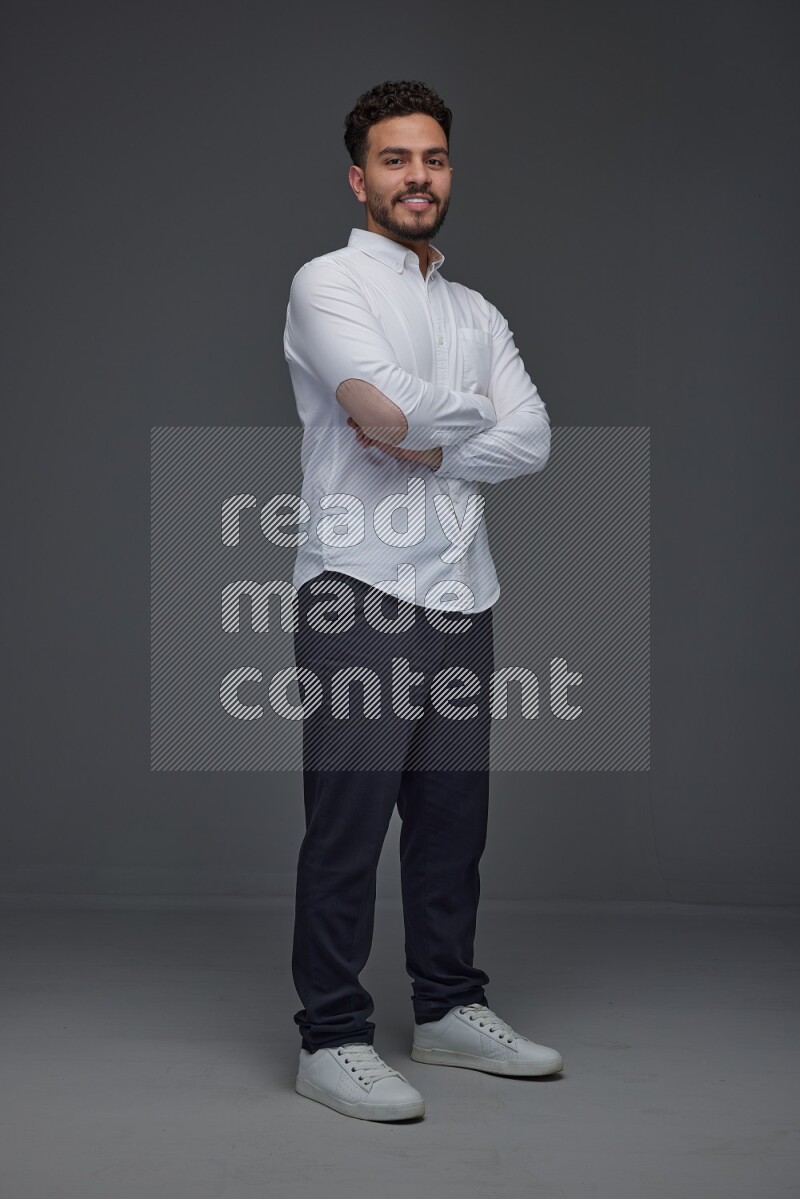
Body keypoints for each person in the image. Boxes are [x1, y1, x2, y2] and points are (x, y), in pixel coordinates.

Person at [283, 79, 563, 1123]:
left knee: (451, 822)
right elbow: (373, 409)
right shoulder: (326, 283)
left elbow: (528, 438)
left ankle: (445, 1007)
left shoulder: (473, 309)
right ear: (360, 177)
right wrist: (448, 421)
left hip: (459, 591)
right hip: (357, 586)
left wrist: (423, 427)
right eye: (396, 160)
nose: (417, 177)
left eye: (433, 158)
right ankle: (331, 1036)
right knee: (347, 824)